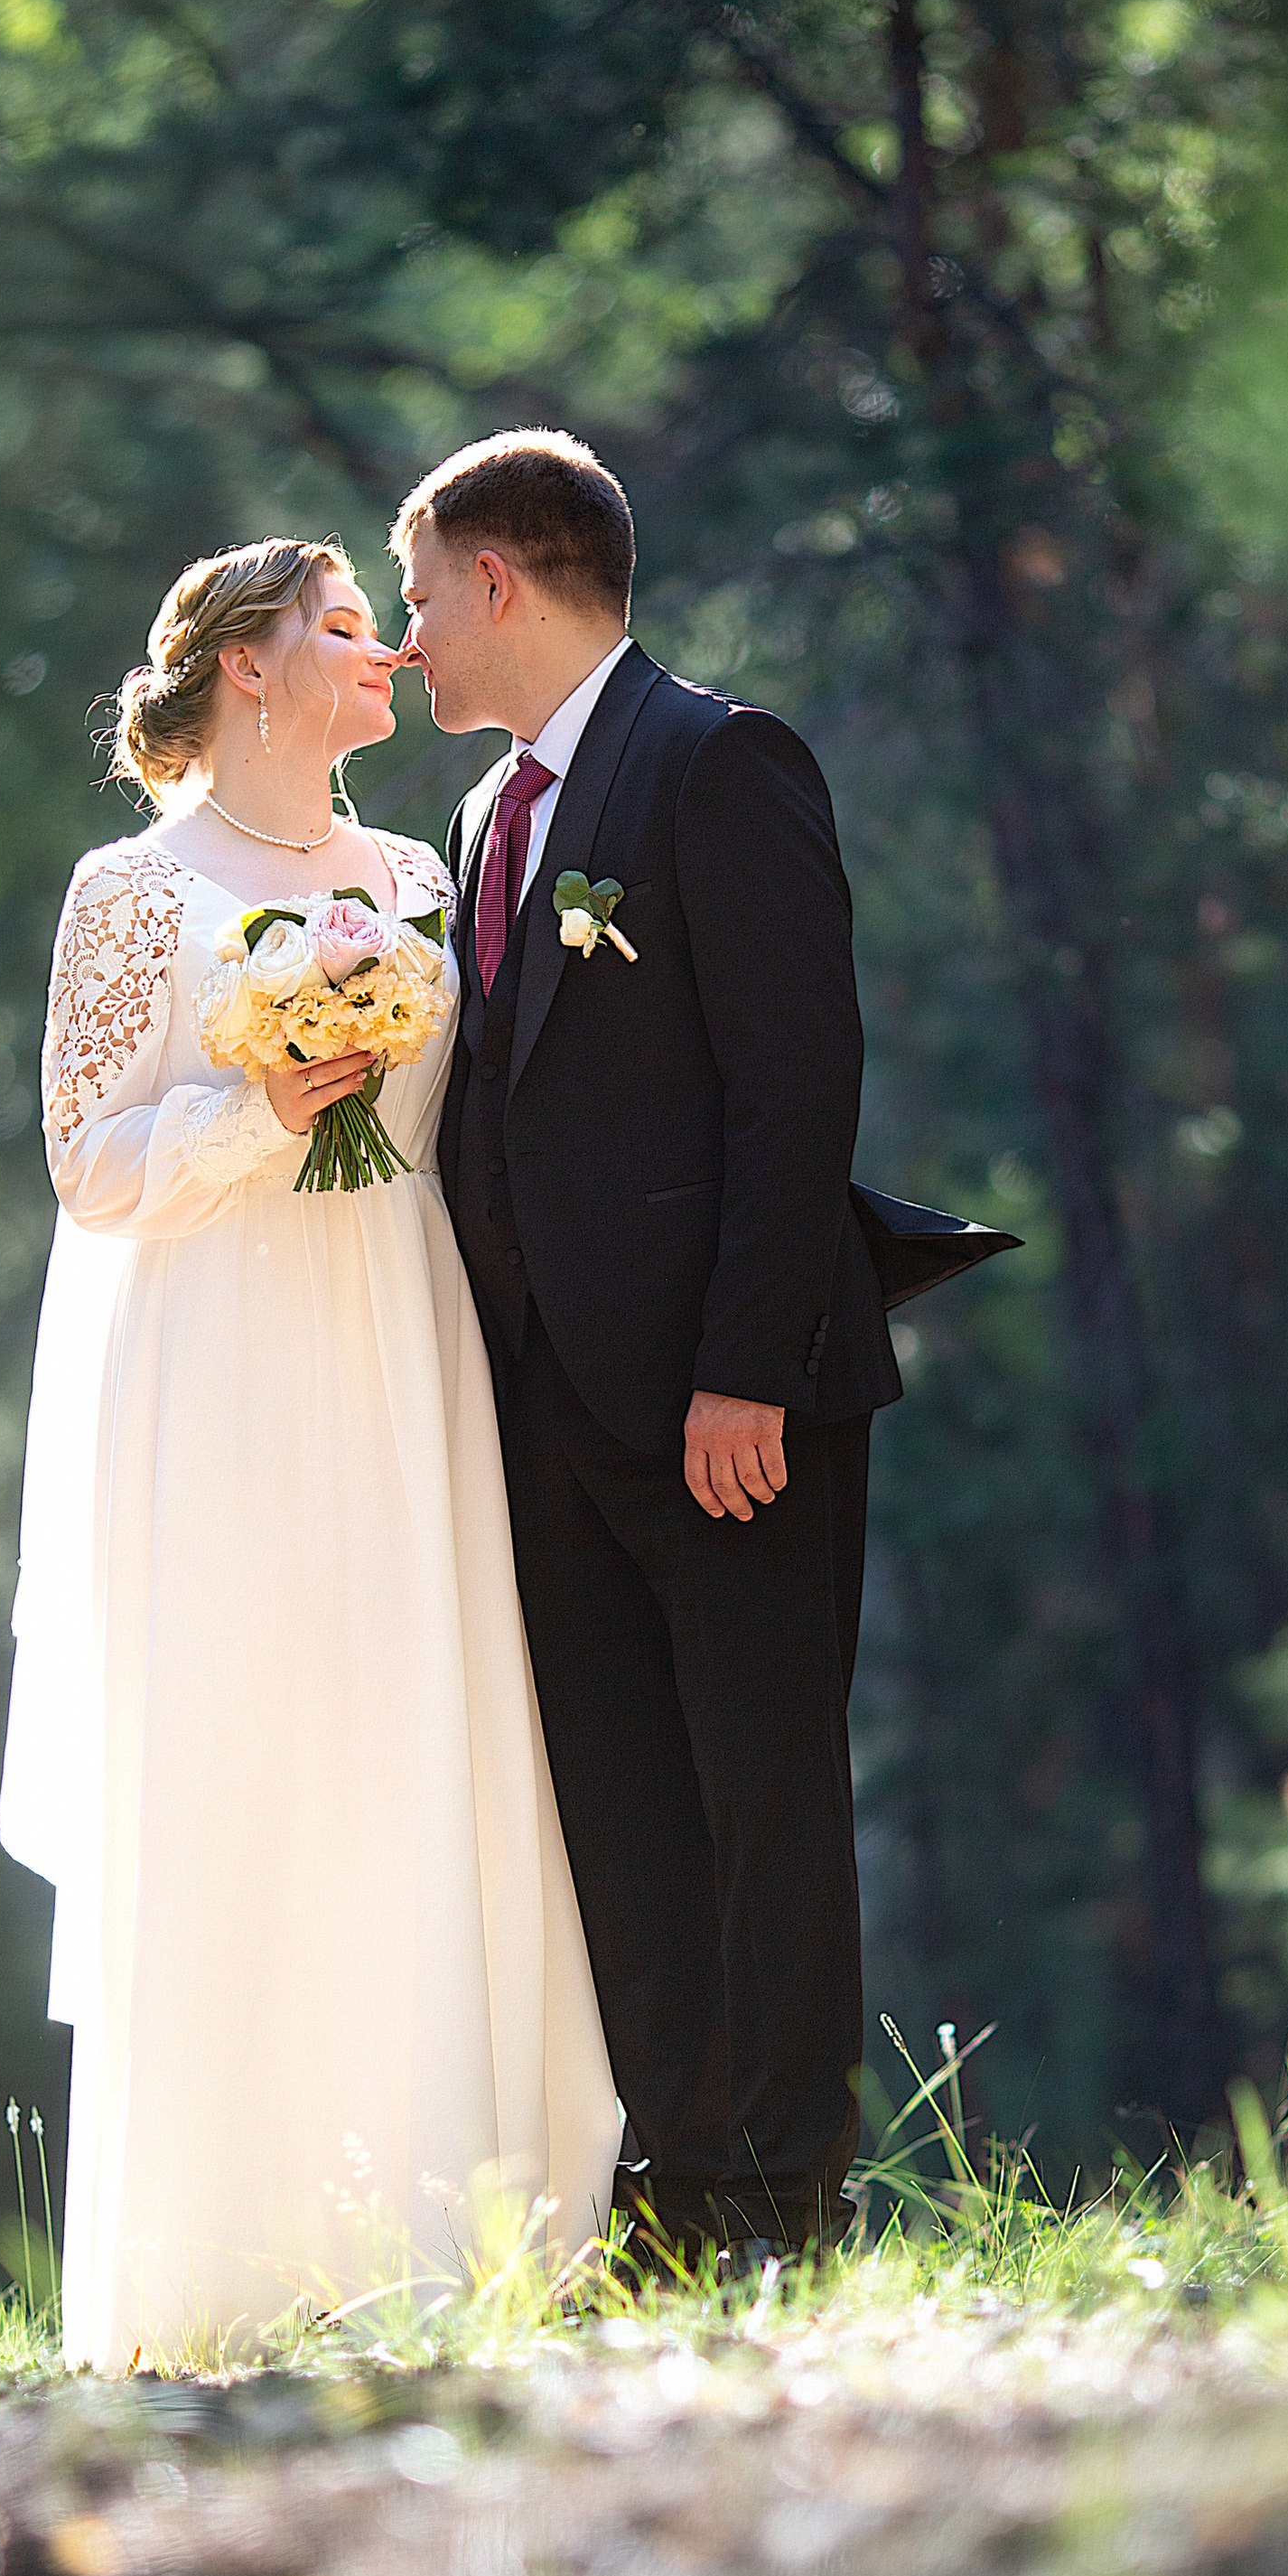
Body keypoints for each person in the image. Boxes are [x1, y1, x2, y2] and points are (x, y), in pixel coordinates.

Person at [0, 535, 621, 2371]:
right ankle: (222, 2263)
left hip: (397, 1353)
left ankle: (444, 2224)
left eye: (382, 623)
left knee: (411, 1737)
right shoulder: (132, 892)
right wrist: (258, 1108)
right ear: (245, 670)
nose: (386, 654)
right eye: (345, 630)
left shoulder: (421, 876)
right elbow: (85, 1167)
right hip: (215, 1373)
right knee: (243, 1758)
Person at [393, 431, 901, 2263]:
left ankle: (782, 2192)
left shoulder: (716, 761)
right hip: (541, 1412)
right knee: (615, 1810)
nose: (405, 638)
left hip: (721, 1402)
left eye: (420, 592)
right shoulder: (475, 821)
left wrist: (743, 1373)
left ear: (500, 580)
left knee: (759, 1797)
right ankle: (671, 2198)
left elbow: (794, 1084)